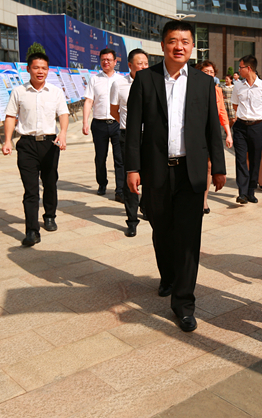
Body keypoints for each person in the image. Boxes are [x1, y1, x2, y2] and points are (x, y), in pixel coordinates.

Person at [125, 20, 226, 332]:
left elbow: (212, 128)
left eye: (184, 41)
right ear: (163, 45)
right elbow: (133, 128)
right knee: (161, 228)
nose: (178, 47)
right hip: (156, 170)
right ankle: (168, 275)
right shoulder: (145, 79)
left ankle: (184, 303)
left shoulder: (204, 83)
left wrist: (219, 167)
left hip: (190, 171)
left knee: (188, 237)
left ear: (192, 47)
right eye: (172, 41)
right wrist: (132, 168)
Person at [2, 52, 69, 246]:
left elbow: (63, 113)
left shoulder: (55, 92)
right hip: (27, 144)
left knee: (50, 182)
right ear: (28, 69)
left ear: (48, 70)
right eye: (36, 67)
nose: (40, 71)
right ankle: (32, 231)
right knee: (30, 190)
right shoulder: (19, 92)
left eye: (44, 68)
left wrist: (63, 133)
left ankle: (50, 216)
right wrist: (7, 141)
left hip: (50, 144)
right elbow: (10, 116)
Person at [110, 48, 150, 237]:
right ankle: (132, 220)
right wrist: (129, 126)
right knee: (131, 177)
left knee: (150, 175)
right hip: (128, 136)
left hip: (150, 136)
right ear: (130, 65)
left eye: (146, 63)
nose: (143, 67)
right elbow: (114, 110)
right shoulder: (119, 84)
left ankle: (146, 206)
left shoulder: (153, 82)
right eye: (139, 63)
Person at [232, 55, 262, 204]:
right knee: (240, 159)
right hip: (240, 127)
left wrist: (261, 118)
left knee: (255, 160)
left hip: (257, 127)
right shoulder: (238, 86)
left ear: (249, 68)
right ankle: (242, 193)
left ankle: (251, 192)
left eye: (240, 67)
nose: (239, 70)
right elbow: (235, 105)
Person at [82, 48, 126, 199]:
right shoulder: (94, 79)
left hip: (117, 123)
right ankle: (102, 183)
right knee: (100, 157)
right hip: (99, 124)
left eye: (108, 60)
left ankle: (120, 189)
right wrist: (85, 122)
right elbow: (89, 101)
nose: (105, 62)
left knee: (120, 158)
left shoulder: (122, 80)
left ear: (115, 61)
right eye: (103, 60)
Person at [196, 60, 234, 213]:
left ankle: (204, 200)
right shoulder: (192, 88)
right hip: (195, 132)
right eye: (206, 72)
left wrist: (228, 134)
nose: (209, 75)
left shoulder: (217, 90)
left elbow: (222, 112)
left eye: (212, 72)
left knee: (209, 166)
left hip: (211, 131)